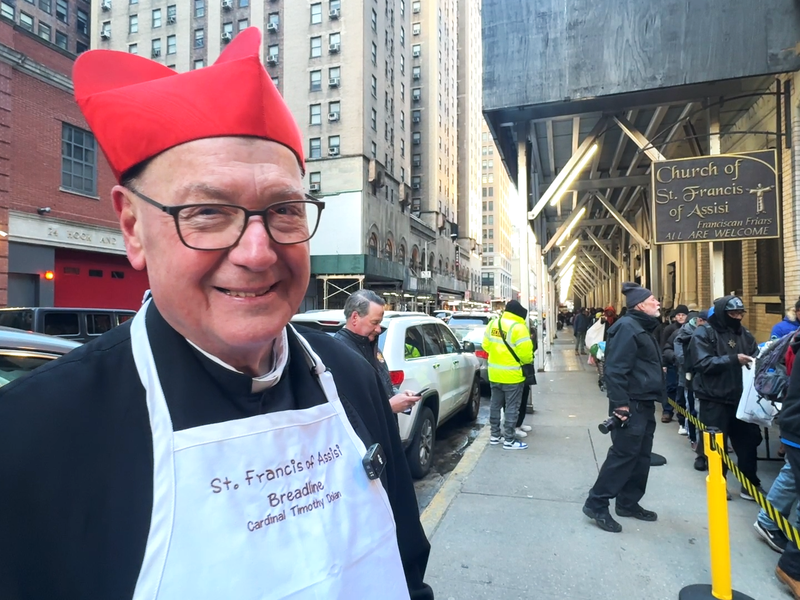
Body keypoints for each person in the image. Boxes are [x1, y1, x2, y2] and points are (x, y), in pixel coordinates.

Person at [0, 30, 433, 600]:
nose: (257, 253)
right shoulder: (30, 438)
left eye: (284, 210)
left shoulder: (350, 377)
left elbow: (407, 570)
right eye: (206, 212)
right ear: (132, 227)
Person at [583, 283, 664, 533]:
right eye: (653, 300)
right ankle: (596, 503)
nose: (658, 303)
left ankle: (628, 502)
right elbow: (615, 370)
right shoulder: (627, 328)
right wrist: (620, 406)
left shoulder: (640, 327)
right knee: (623, 456)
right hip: (631, 405)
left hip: (644, 402)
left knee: (641, 456)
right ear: (640, 305)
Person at [690, 296, 762, 500]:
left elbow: (755, 353)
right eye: (733, 314)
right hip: (714, 398)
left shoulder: (744, 334)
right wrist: (732, 360)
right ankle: (718, 482)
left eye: (740, 314)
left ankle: (749, 484)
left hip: (740, 398)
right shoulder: (704, 333)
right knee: (716, 446)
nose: (737, 317)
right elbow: (702, 362)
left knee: (747, 443)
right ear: (723, 313)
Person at [334, 289, 421, 415]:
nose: (379, 329)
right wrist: (389, 407)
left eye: (379, 323)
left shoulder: (372, 347)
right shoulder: (338, 353)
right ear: (354, 318)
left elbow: (383, 388)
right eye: (374, 323)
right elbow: (346, 410)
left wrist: (400, 397)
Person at [484, 300, 534, 450]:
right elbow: (526, 356)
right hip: (512, 375)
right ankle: (509, 440)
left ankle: (494, 436)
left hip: (494, 373)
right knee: (512, 408)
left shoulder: (493, 323)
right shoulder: (519, 328)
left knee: (495, 405)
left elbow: (486, 345)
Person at [659, 305, 689, 424]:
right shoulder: (669, 329)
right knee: (670, 387)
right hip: (671, 363)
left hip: (684, 364)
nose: (680, 317)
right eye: (678, 315)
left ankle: (682, 412)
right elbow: (664, 346)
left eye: (683, 315)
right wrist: (664, 363)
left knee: (681, 389)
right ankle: (667, 411)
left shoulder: (691, 328)